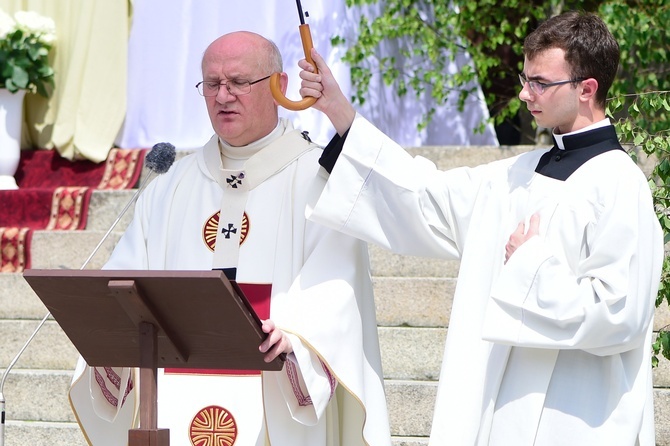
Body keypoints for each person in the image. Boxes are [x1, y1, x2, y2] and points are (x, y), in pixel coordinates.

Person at [299, 11, 664, 445]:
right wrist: (339, 111)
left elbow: (620, 313)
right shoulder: (516, 175)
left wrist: (531, 263)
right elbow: (425, 195)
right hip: (498, 411)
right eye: (525, 78)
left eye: (541, 83)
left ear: (587, 89)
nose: (526, 93)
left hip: (575, 417)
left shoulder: (621, 184)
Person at [69, 31, 391, 446]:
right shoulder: (171, 186)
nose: (223, 96)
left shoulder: (321, 181)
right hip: (174, 395)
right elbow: (123, 286)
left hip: (274, 396)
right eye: (212, 84)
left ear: (280, 86)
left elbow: (338, 289)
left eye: (238, 82)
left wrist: (296, 336)